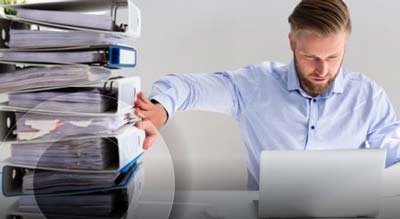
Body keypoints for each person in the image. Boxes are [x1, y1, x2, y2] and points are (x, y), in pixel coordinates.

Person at [134, 0, 400, 190]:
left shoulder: (368, 97)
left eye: (333, 56)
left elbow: (394, 157)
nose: (323, 69)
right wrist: (161, 108)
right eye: (311, 57)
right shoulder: (255, 85)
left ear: (345, 45)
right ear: (292, 43)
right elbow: (186, 87)